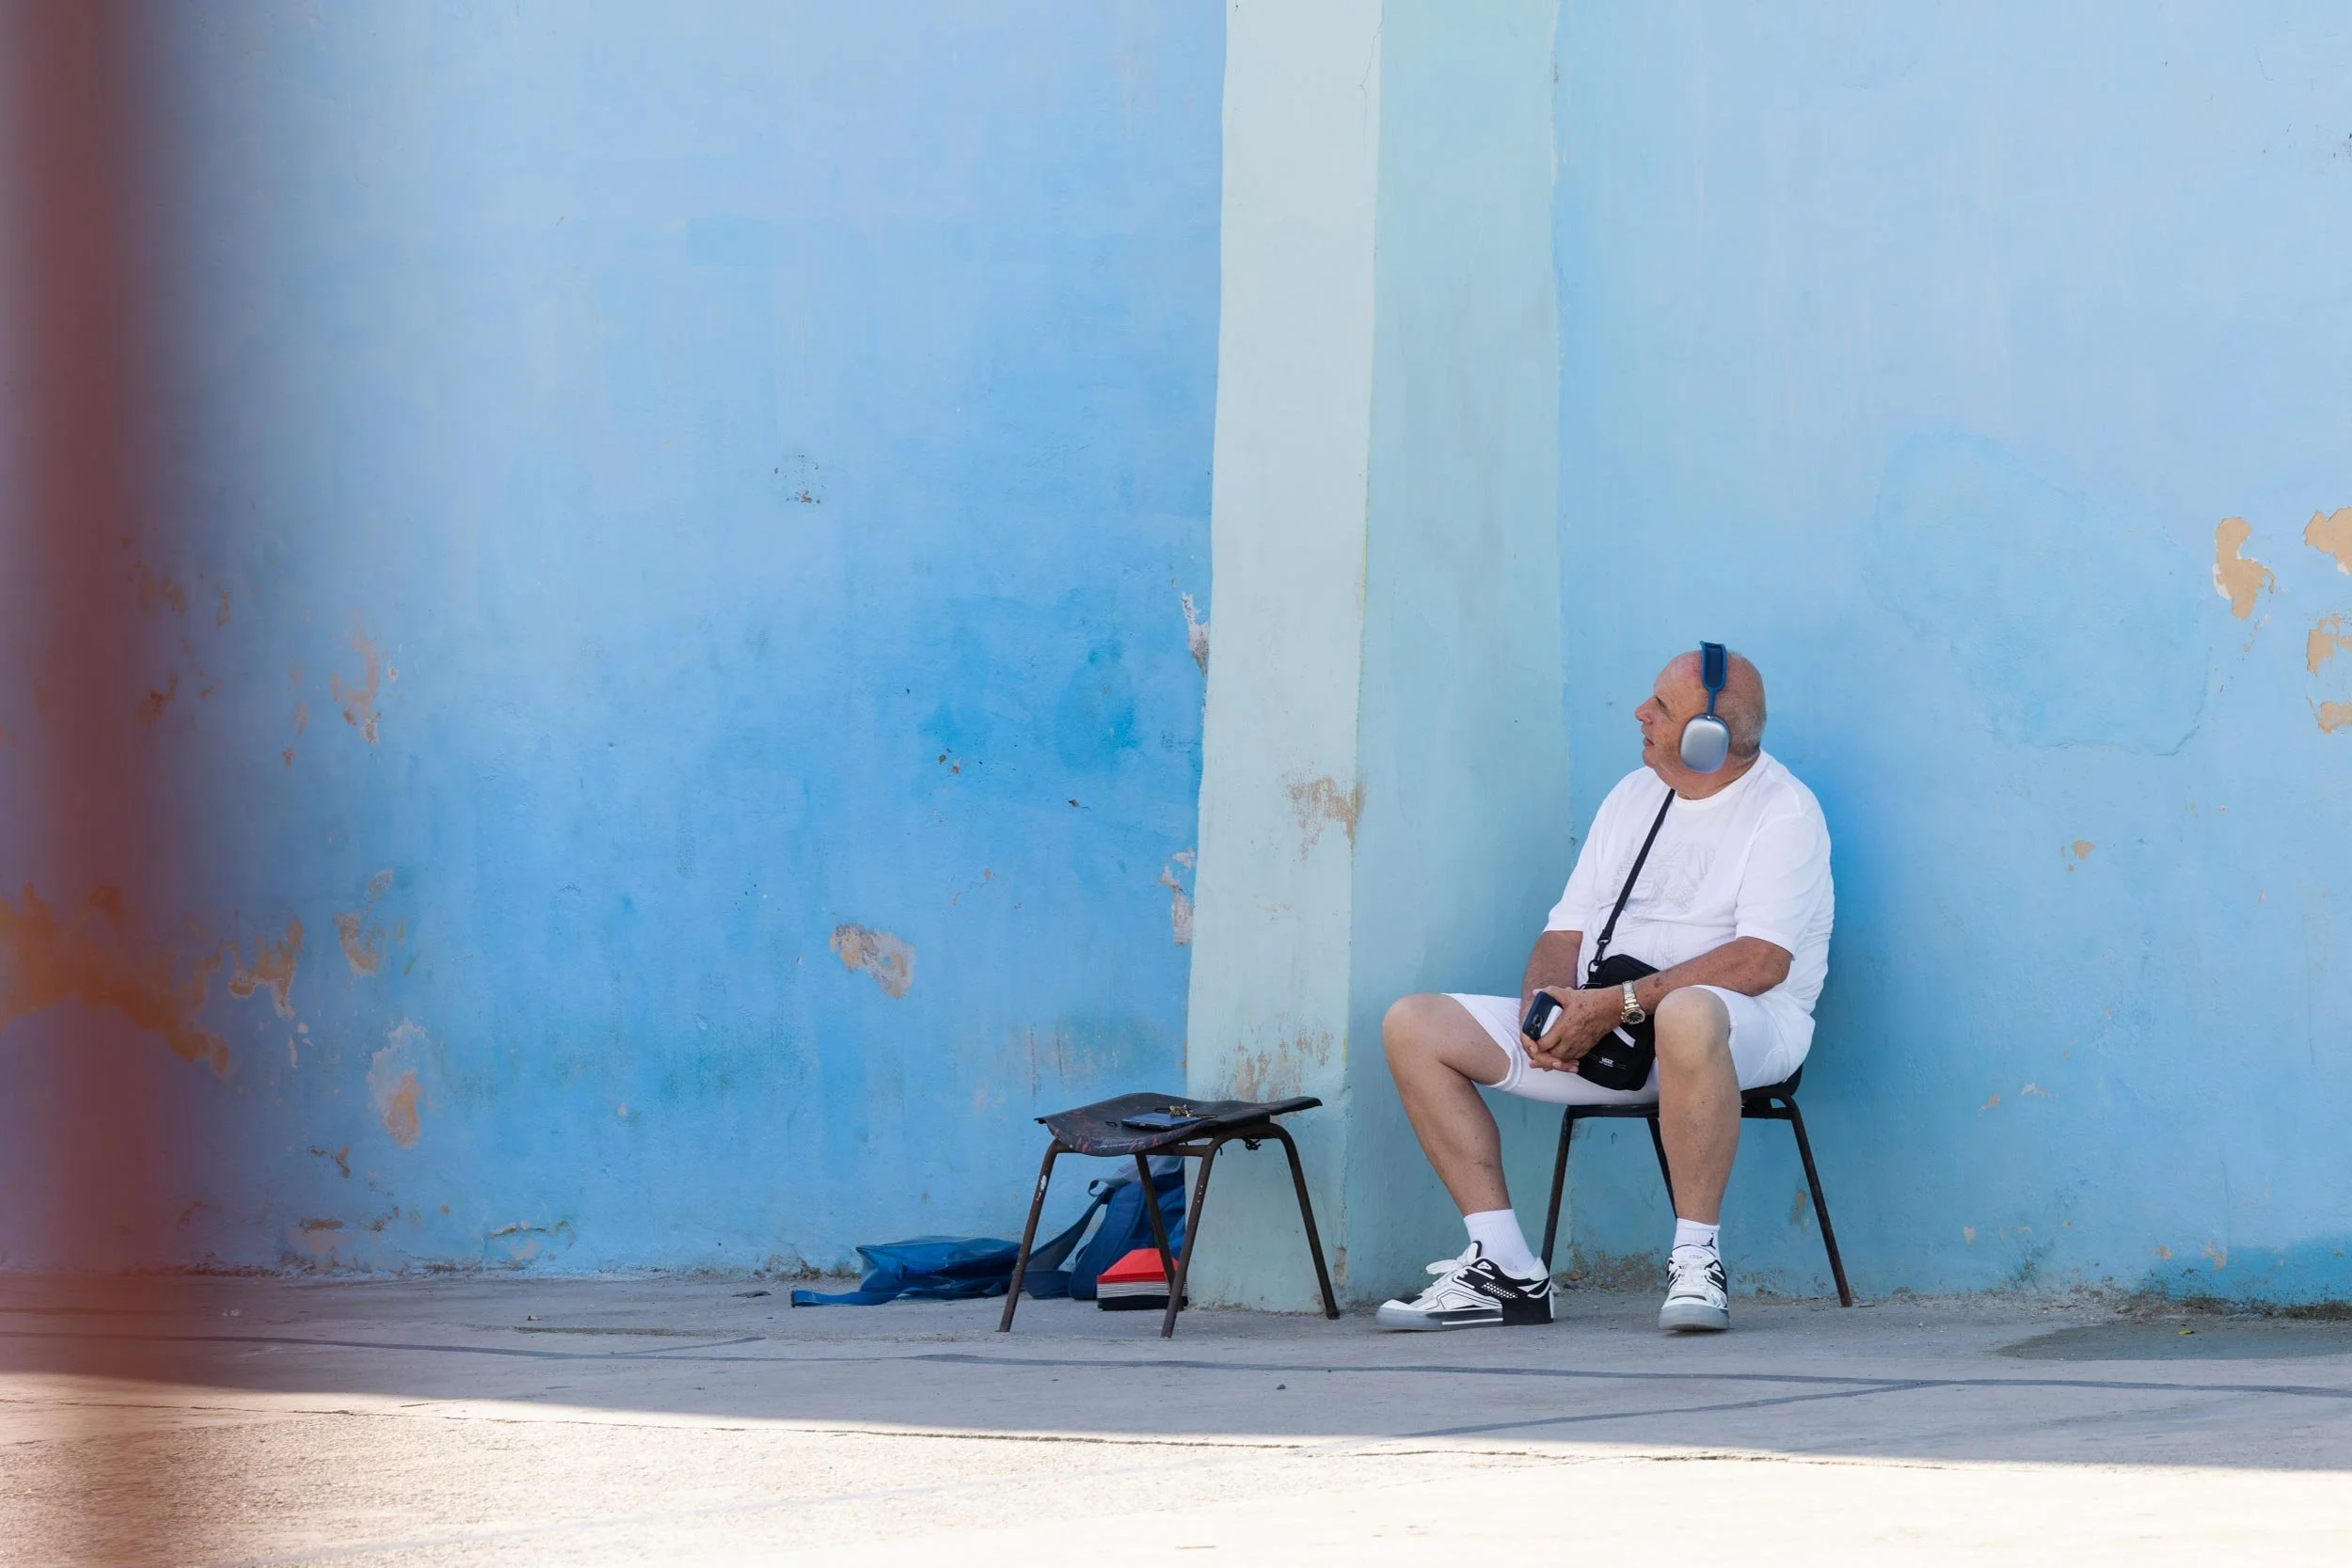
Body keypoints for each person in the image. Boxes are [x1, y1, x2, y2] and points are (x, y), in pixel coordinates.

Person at [1375, 649, 1833, 1333]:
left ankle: (1696, 1259)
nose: (1640, 714)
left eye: (1662, 707)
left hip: (1742, 1029)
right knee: (1414, 1023)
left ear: (1706, 737)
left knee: (1687, 1010)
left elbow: (1761, 962)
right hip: (1609, 1024)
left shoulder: (1785, 811)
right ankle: (1504, 1267)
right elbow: (1564, 932)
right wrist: (1547, 1011)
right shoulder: (1631, 795)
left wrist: (1613, 1005)